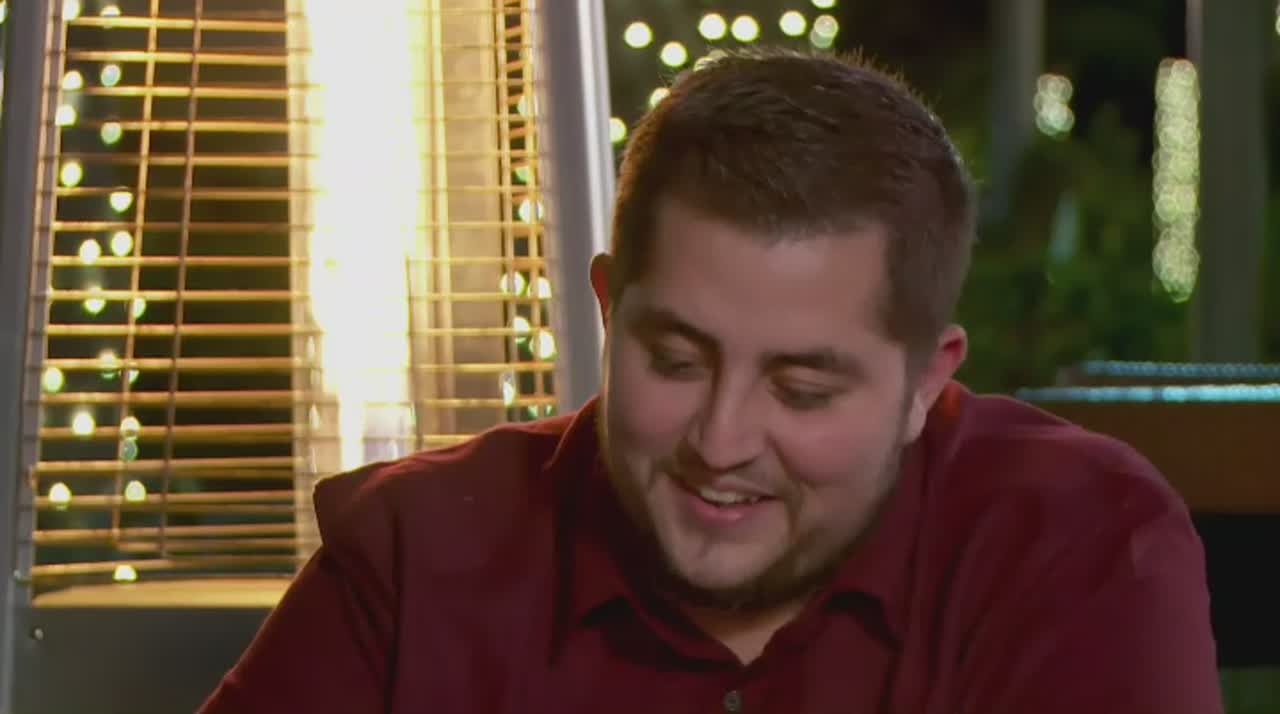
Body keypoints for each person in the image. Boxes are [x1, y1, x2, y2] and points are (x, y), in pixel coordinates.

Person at [198, 47, 1221, 713]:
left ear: (924, 382)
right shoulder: (416, 554)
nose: (720, 443)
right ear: (609, 309)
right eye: (676, 362)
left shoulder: (1078, 544)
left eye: (801, 390)